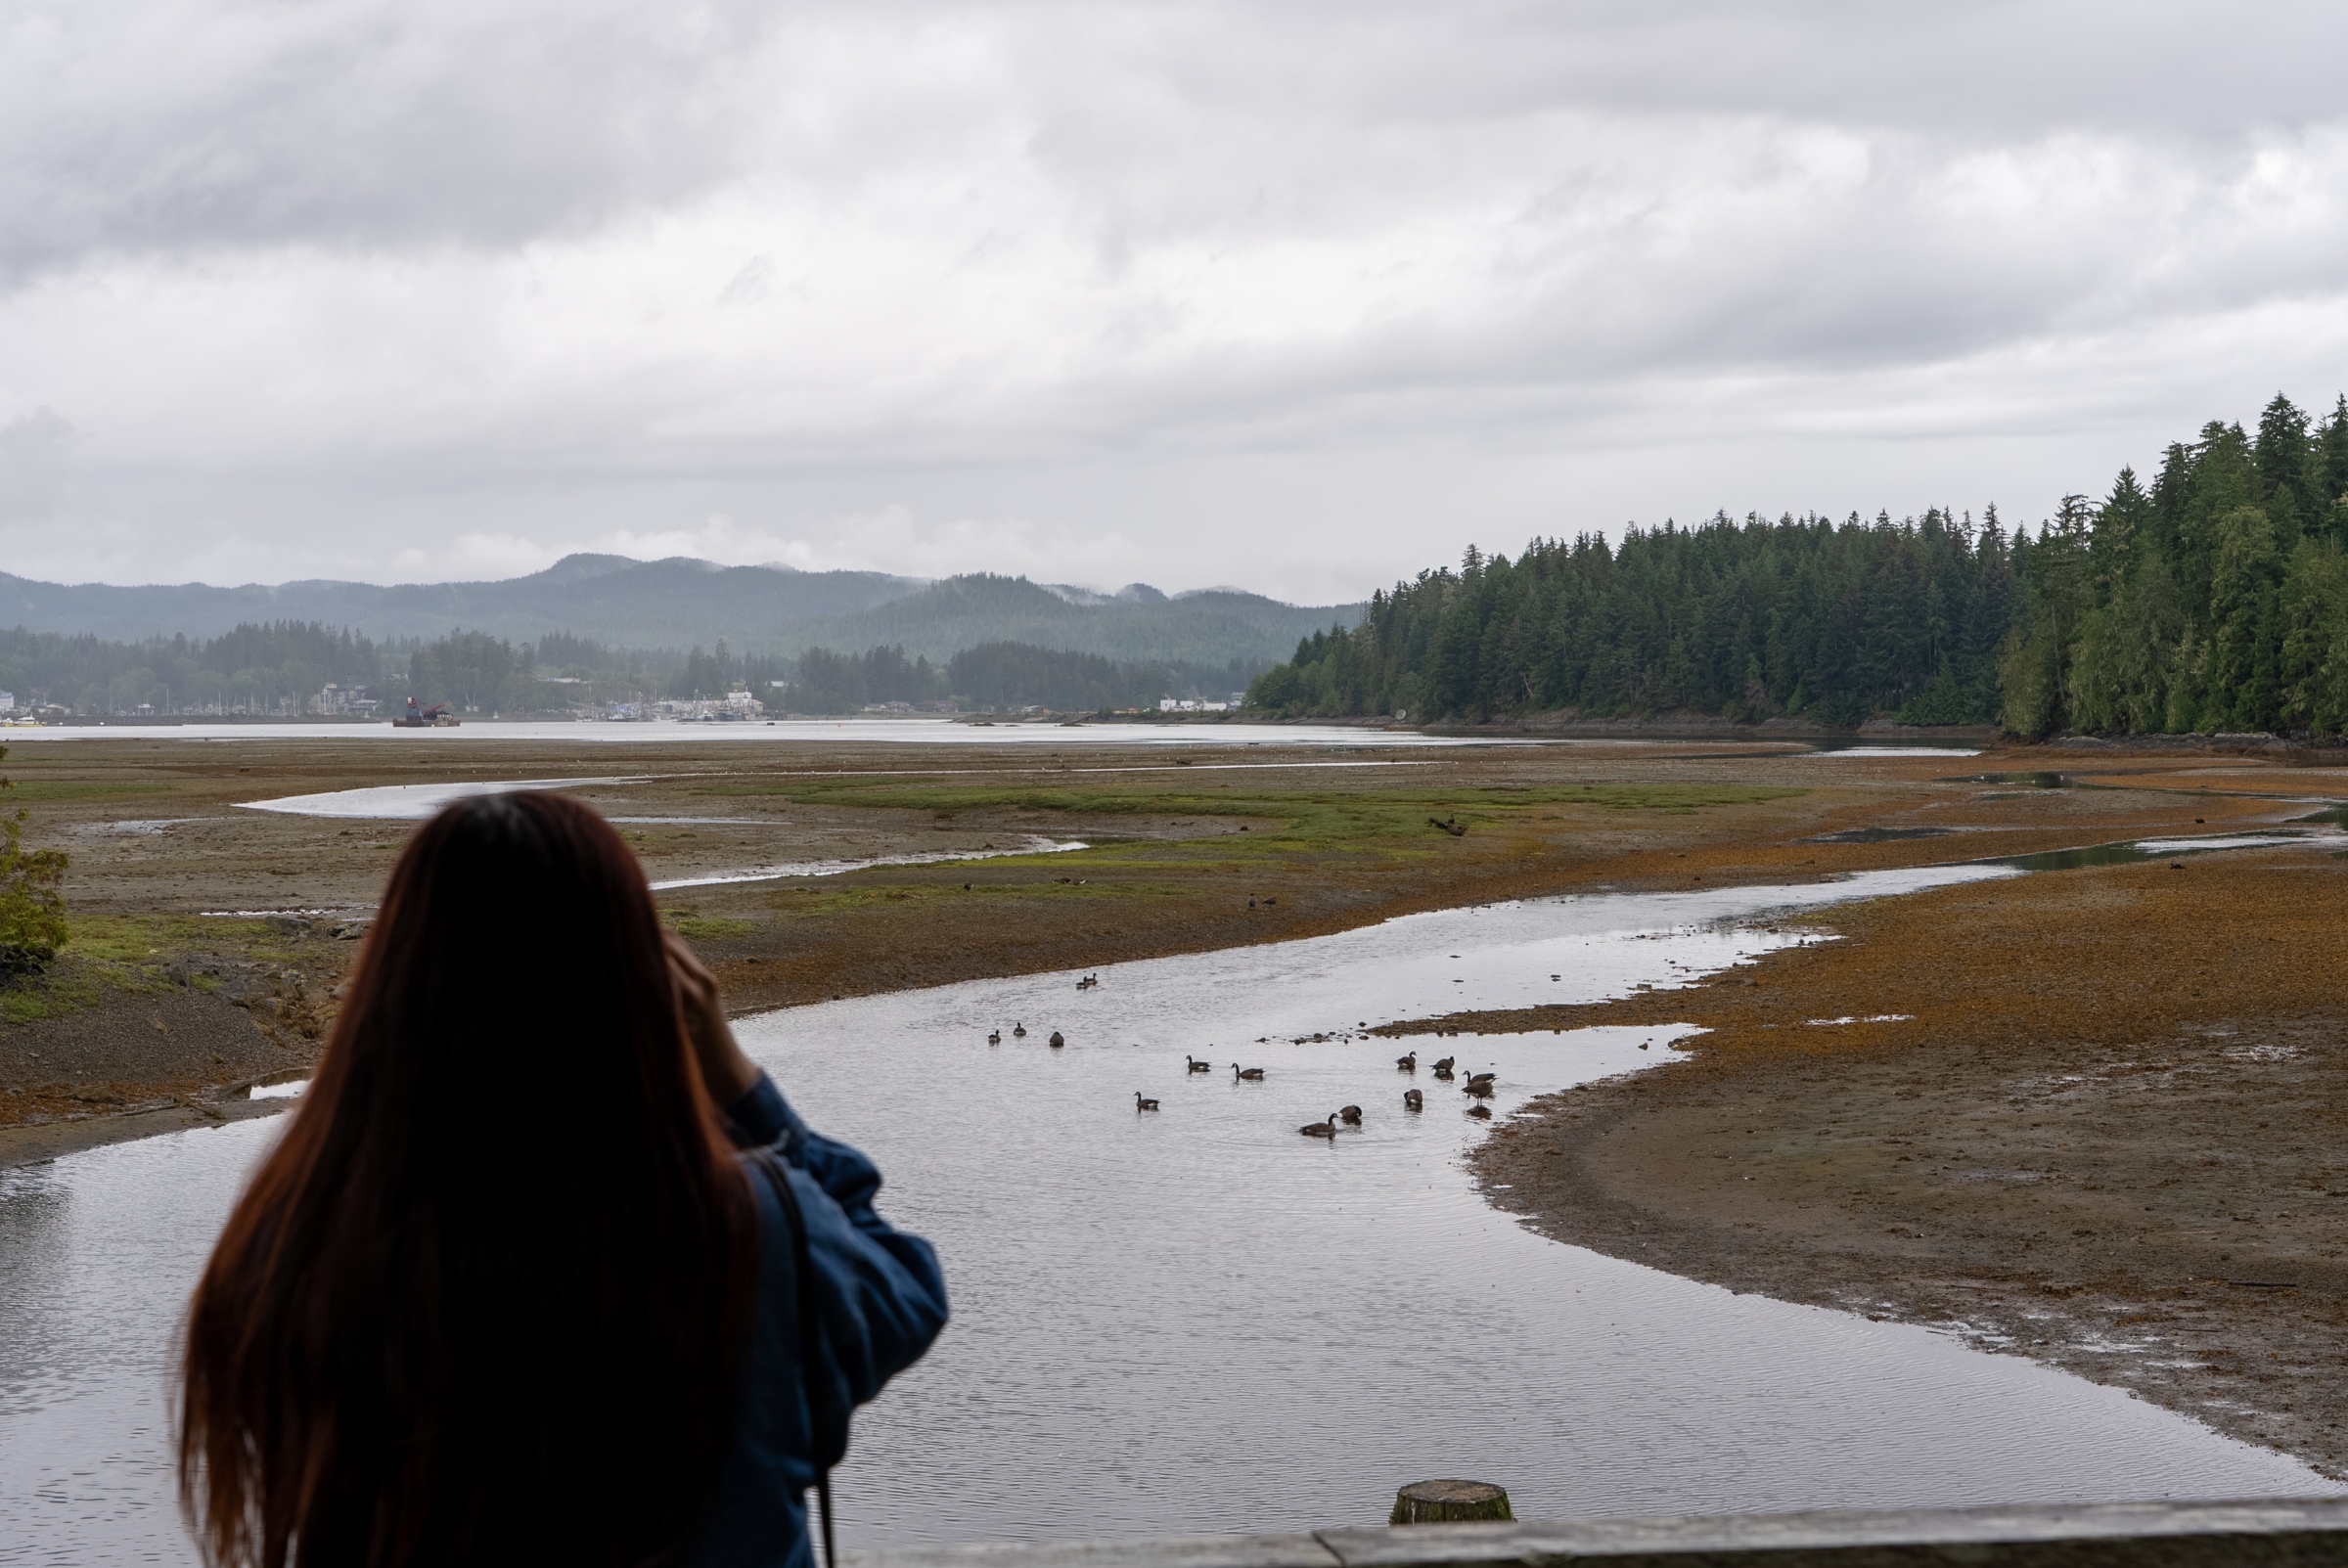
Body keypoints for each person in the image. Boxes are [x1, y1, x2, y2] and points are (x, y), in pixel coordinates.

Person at [180, 791, 947, 1568]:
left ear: (392, 999)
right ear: (639, 992)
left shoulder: (296, 1243)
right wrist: (737, 1080)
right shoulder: (749, 1233)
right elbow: (908, 1289)